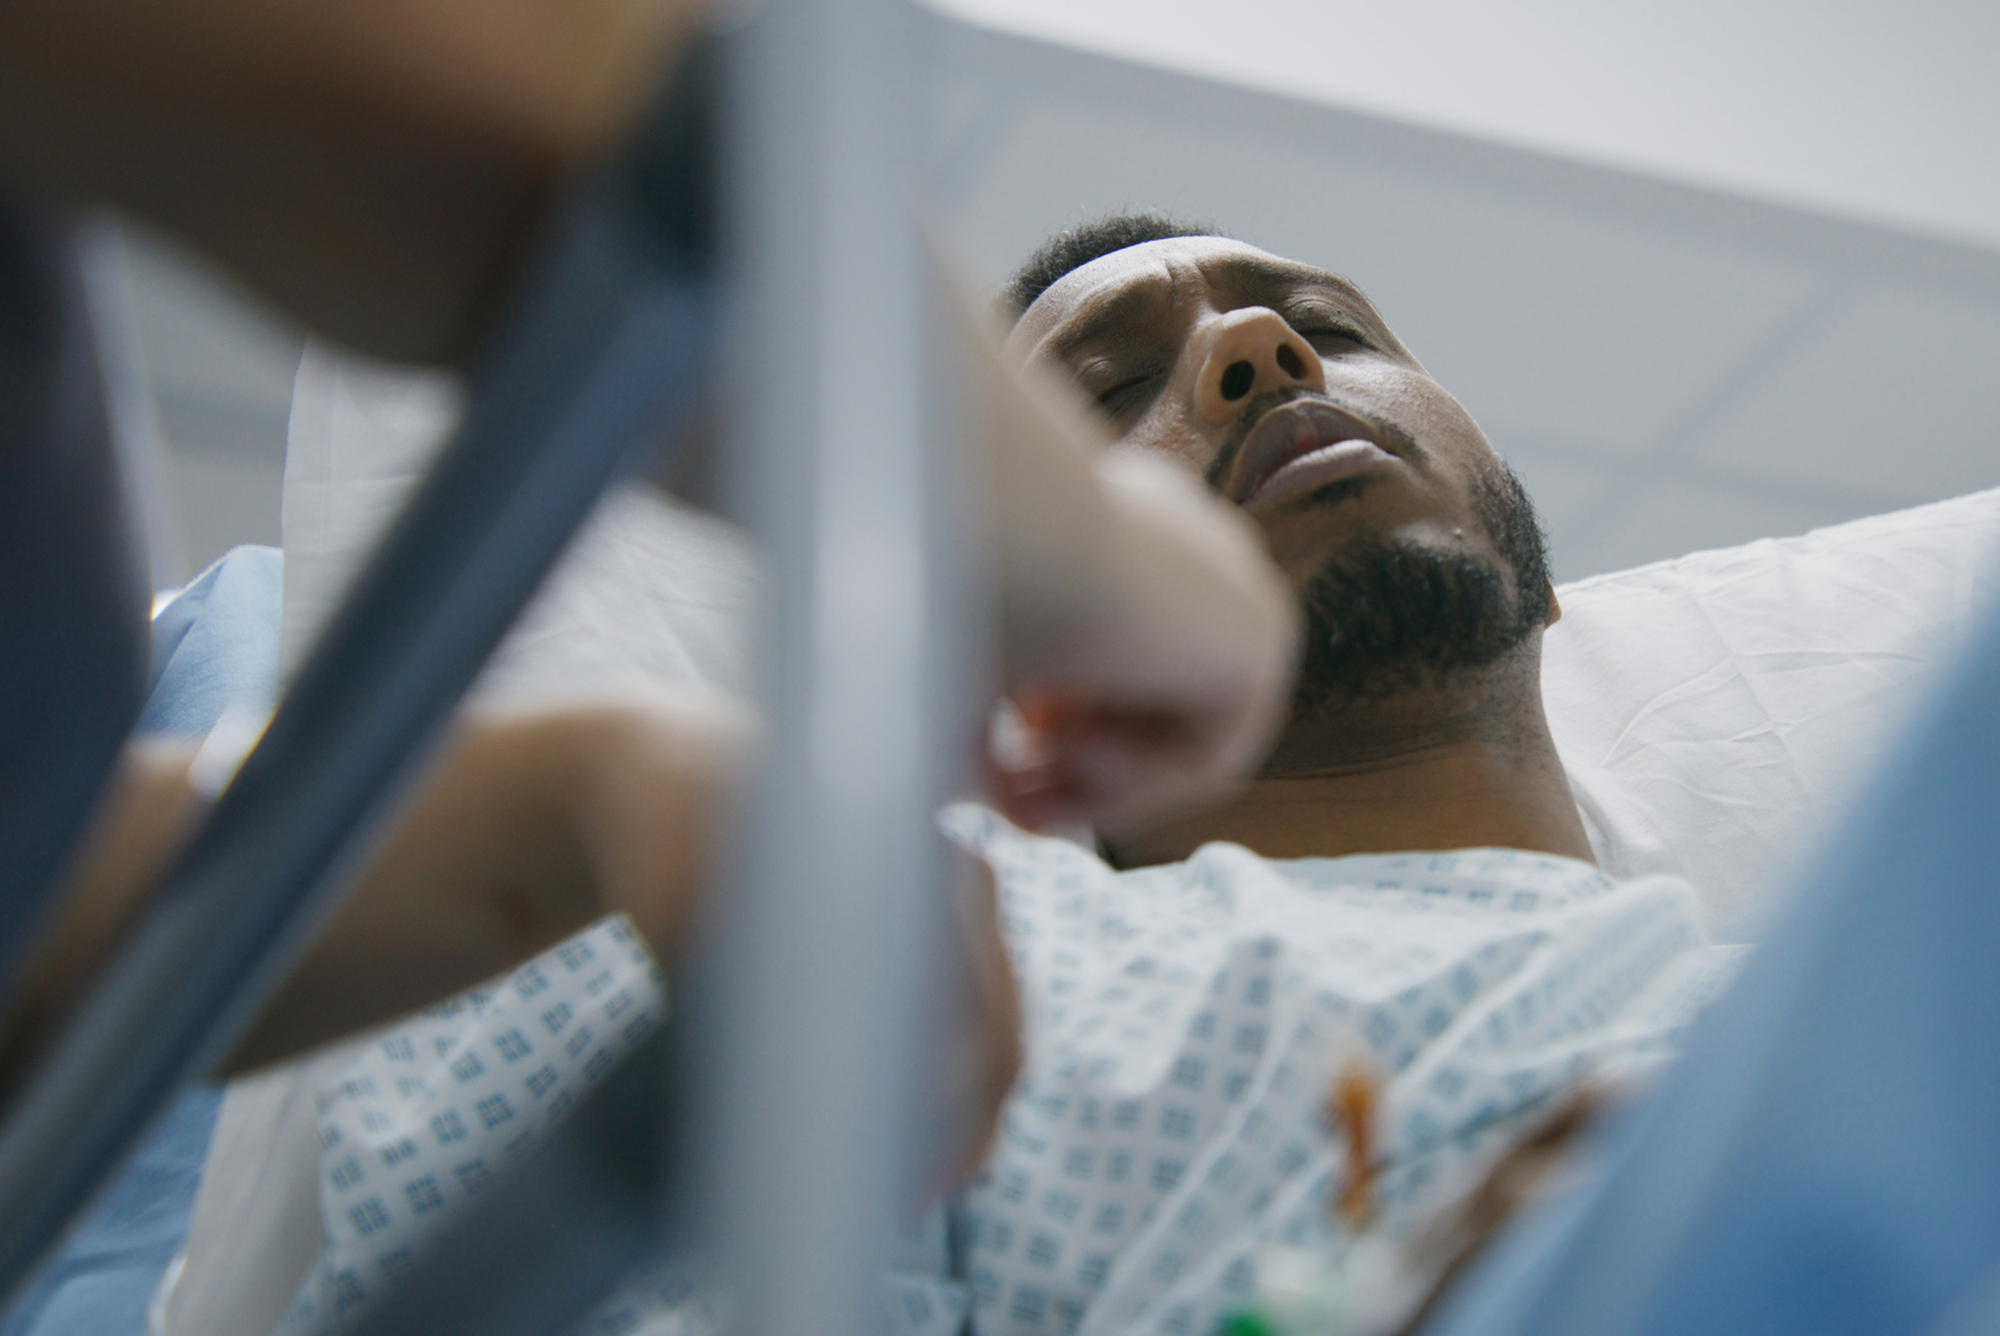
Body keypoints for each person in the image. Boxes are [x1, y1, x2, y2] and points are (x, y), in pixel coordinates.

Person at [935, 213, 1743, 1336]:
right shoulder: (949, 969)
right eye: (1114, 389)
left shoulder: (1835, 1008)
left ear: (1538, 573)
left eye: (1329, 327)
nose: (1259, 341)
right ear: (1035, 679)